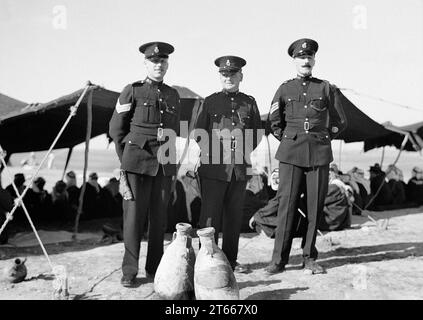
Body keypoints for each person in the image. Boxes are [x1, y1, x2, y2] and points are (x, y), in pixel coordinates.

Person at [266, 38, 347, 274]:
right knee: (286, 206)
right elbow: (274, 121)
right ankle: (278, 260)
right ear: (294, 61)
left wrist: (323, 137)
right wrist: (290, 139)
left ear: (314, 60)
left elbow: (341, 121)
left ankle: (309, 257)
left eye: (309, 57)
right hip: (290, 154)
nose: (306, 61)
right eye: (301, 57)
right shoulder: (284, 88)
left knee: (314, 207)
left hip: (319, 155)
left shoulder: (325, 88)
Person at [109, 41, 181, 287]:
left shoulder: (173, 95)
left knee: (159, 220)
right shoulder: (133, 90)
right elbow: (116, 129)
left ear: (167, 64)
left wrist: (171, 168)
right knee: (133, 220)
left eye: (162, 61)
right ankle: (129, 271)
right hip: (136, 163)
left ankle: (155, 268)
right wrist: (126, 160)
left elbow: (173, 133)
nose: (158, 65)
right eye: (154, 61)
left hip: (163, 166)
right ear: (145, 64)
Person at [193, 55, 262, 273]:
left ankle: (231, 261)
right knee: (209, 218)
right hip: (213, 169)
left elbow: (256, 134)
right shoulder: (210, 101)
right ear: (219, 76)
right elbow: (198, 133)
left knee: (233, 219)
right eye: (224, 74)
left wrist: (240, 152)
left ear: (241, 76)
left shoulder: (249, 103)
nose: (228, 77)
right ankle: (206, 259)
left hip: (239, 169)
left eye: (233, 74)